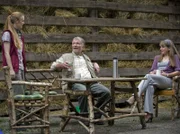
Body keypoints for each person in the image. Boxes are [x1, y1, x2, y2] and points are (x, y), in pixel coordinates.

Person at [51, 36, 111, 124]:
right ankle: (84, 116)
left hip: (90, 82)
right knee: (83, 91)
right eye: (73, 43)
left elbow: (91, 66)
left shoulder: (86, 57)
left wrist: (95, 64)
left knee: (106, 92)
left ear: (83, 46)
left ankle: (96, 114)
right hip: (73, 84)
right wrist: (60, 65)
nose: (75, 45)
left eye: (78, 43)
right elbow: (53, 66)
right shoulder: (66, 56)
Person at [121, 39, 180, 123]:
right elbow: (151, 71)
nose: (160, 48)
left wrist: (167, 74)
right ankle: (148, 114)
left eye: (163, 47)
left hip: (167, 81)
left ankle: (134, 96)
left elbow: (178, 71)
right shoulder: (157, 58)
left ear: (169, 48)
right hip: (155, 80)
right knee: (149, 86)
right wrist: (153, 72)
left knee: (148, 77)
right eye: (160, 47)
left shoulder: (174, 57)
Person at [2, 12, 26, 95]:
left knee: (22, 93)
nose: (24, 23)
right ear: (16, 21)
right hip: (14, 69)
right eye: (22, 20)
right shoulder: (7, 34)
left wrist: (24, 67)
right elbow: (6, 53)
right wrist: (11, 69)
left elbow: (20, 54)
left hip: (20, 68)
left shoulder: (19, 35)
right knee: (17, 95)